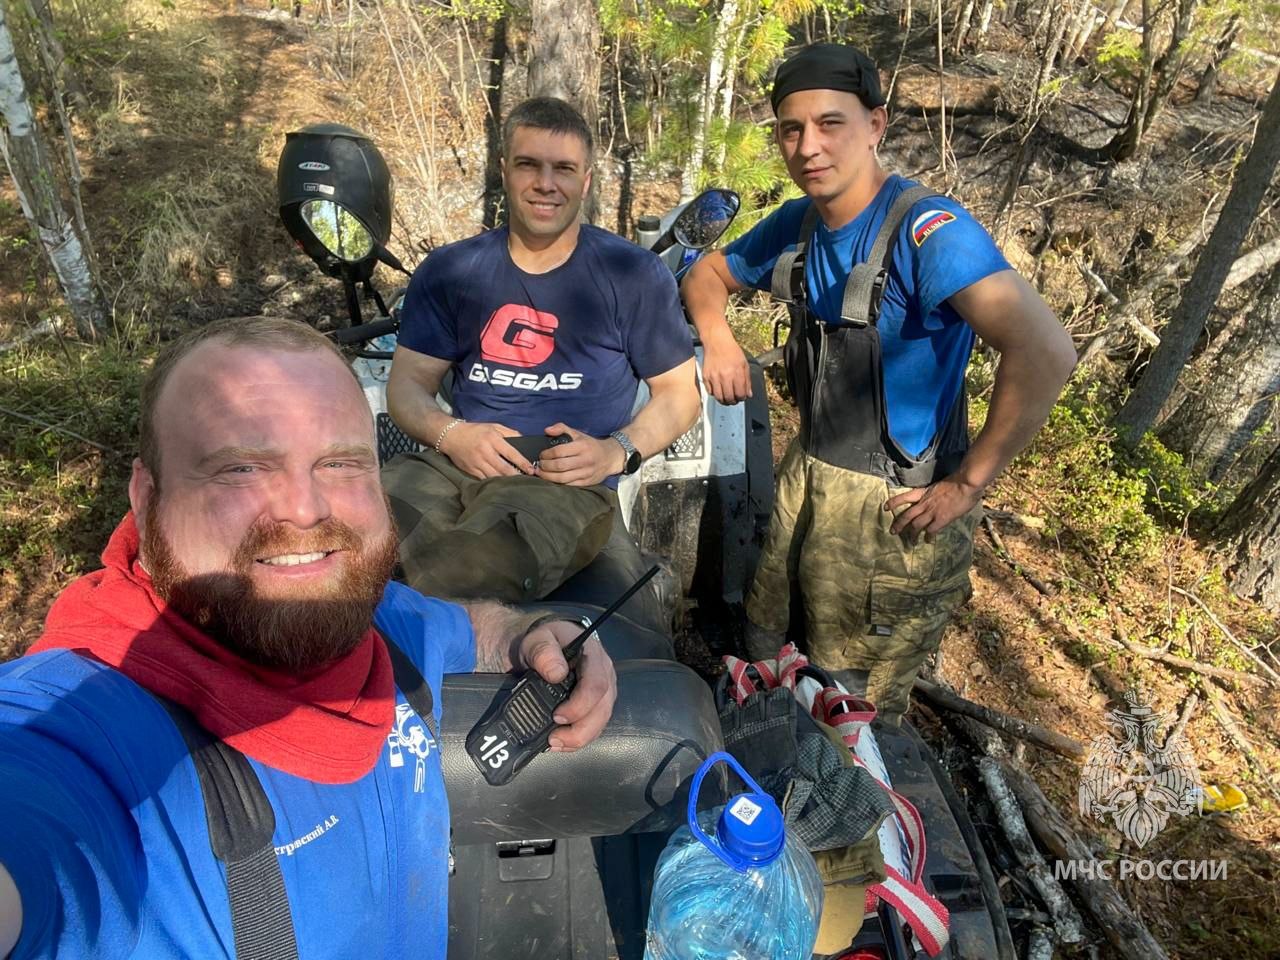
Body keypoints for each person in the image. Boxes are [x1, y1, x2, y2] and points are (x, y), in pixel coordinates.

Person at [0, 316, 617, 958]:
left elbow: (470, 626)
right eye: (241, 467)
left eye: (341, 463)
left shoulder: (376, 620)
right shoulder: (80, 728)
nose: (305, 508)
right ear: (146, 496)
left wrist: (534, 632)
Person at [682, 43, 1076, 724]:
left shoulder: (929, 232)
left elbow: (1045, 351)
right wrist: (717, 337)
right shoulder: (801, 223)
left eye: (830, 123)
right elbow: (706, 274)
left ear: (875, 125)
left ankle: (844, 786)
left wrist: (968, 484)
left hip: (894, 510)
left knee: (850, 702)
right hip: (807, 478)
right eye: (791, 129)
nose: (809, 146)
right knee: (768, 645)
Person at [382, 96, 700, 608]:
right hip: (451, 461)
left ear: (586, 181)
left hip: (561, 481)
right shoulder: (450, 271)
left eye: (564, 169)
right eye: (529, 164)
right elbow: (407, 386)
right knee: (358, 535)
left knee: (470, 567)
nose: (546, 183)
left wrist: (615, 450)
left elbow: (679, 395)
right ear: (504, 170)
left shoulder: (633, 275)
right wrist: (451, 434)